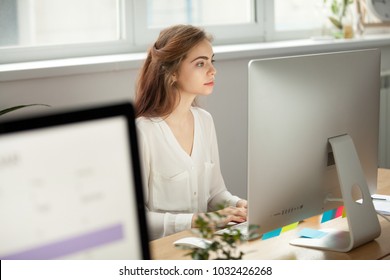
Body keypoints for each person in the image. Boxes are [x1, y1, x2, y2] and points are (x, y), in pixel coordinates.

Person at [134, 24, 247, 240]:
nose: (212, 70)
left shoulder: (205, 121)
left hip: (203, 245)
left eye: (212, 61)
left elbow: (215, 194)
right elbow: (138, 219)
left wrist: (238, 205)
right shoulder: (144, 133)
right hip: (163, 253)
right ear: (172, 72)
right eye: (200, 63)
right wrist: (198, 221)